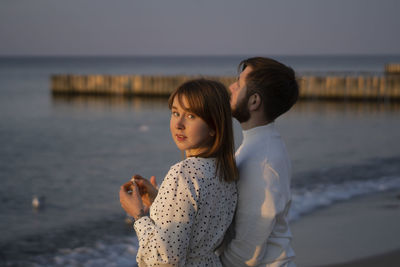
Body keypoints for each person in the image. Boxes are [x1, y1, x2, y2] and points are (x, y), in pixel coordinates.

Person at [119, 79, 238, 266]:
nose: (179, 124)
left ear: (214, 126)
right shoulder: (224, 171)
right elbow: (198, 226)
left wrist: (138, 215)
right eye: (175, 113)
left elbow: (166, 261)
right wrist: (159, 199)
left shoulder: (182, 174)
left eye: (191, 116)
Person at [219, 57, 299, 267]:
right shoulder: (260, 145)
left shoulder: (262, 162)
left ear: (254, 101)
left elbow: (247, 252)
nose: (231, 87)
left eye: (239, 83)